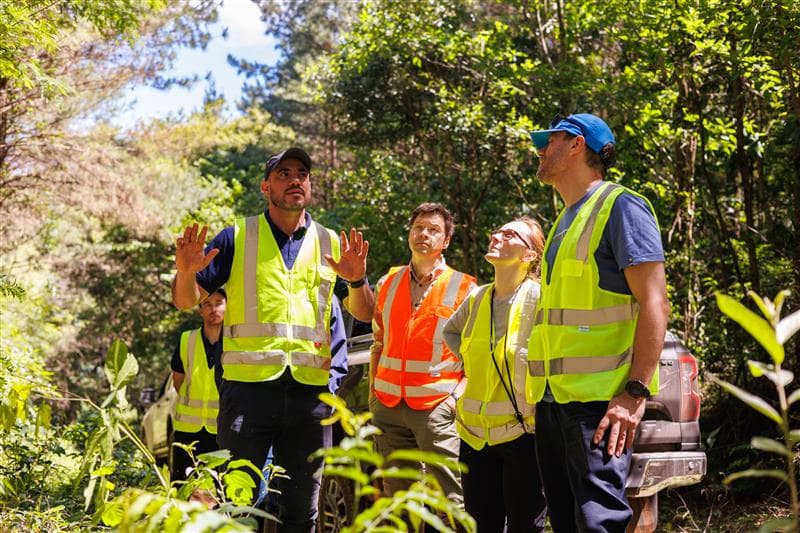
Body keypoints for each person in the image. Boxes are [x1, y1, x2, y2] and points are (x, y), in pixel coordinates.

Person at [172, 147, 373, 532]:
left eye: (302, 173)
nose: (295, 179)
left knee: (302, 511)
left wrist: (357, 279)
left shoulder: (331, 243)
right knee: (239, 504)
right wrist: (185, 273)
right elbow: (185, 301)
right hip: (248, 394)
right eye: (283, 173)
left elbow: (364, 314)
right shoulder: (236, 237)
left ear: (310, 187)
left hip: (310, 398)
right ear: (266, 187)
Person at [526, 113, 670, 532]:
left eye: (548, 140)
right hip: (553, 403)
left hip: (600, 406)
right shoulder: (563, 221)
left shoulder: (621, 207)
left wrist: (634, 393)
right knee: (568, 522)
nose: (539, 149)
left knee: (597, 522)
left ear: (576, 145)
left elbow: (655, 302)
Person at [442, 217, 548, 532]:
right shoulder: (477, 298)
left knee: (523, 526)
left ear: (530, 256)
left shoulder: (540, 298)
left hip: (523, 434)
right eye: (497, 230)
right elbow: (451, 334)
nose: (497, 235)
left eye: (510, 233)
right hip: (475, 436)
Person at [369, 202, 476, 507]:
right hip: (388, 407)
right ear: (410, 233)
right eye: (419, 228)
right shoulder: (387, 283)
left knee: (450, 502)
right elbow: (379, 341)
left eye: (433, 230)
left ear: (446, 241)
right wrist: (375, 396)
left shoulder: (466, 288)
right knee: (398, 502)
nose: (424, 234)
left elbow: (477, 353)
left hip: (435, 409)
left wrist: (455, 398)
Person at [170, 288, 226, 482]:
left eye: (219, 303)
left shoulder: (236, 341)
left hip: (221, 428)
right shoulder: (187, 339)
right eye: (207, 304)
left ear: (227, 307)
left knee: (218, 486)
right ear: (200, 310)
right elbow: (178, 381)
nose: (213, 309)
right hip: (187, 430)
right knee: (183, 484)